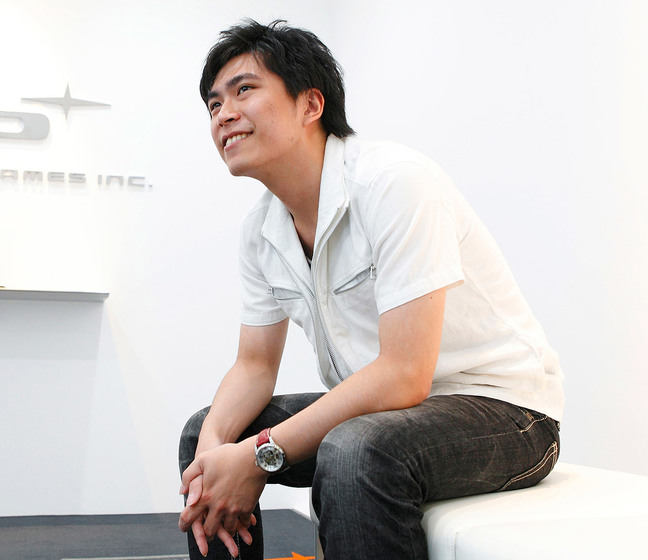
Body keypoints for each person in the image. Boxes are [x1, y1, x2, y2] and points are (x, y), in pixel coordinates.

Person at [178, 19, 563, 560]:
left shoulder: (393, 182)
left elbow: (404, 374)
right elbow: (254, 366)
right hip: (386, 414)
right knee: (204, 430)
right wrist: (215, 452)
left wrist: (257, 455)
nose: (223, 114)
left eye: (244, 90)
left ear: (311, 104)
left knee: (355, 450)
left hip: (505, 412)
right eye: (214, 103)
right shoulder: (260, 230)